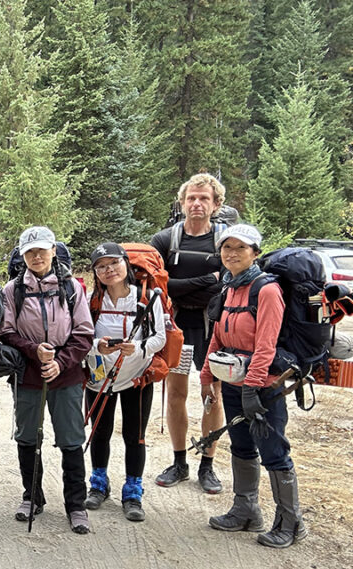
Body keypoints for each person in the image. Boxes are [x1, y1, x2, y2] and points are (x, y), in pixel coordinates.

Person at [200, 224, 307, 548]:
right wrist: (207, 376)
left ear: (255, 253)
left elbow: (266, 345)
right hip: (233, 379)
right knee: (242, 445)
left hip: (263, 384)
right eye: (226, 248)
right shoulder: (229, 287)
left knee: (274, 450)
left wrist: (252, 387)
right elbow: (217, 336)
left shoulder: (267, 290)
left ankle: (291, 523)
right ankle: (246, 510)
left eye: (240, 248)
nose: (232, 254)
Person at [0, 226, 94, 534]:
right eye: (30, 251)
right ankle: (32, 496)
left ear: (54, 250)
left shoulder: (72, 287)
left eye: (42, 249)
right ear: (22, 255)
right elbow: (7, 333)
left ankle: (76, 504)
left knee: (71, 439)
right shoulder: (12, 290)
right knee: (27, 437)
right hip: (27, 374)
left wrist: (60, 363)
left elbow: (83, 333)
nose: (36, 256)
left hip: (66, 376)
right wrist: (34, 351)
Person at [150, 173, 227, 493]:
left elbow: (231, 283)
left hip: (217, 329)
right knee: (176, 394)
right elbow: (158, 285)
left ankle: (207, 465)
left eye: (204, 198)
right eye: (191, 198)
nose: (197, 203)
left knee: (212, 395)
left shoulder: (227, 240)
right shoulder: (165, 240)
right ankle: (179, 461)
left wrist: (182, 286)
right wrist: (206, 280)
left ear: (216, 204)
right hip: (178, 326)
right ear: (182, 203)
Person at [83, 243, 166, 522]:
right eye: (101, 266)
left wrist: (139, 347)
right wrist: (97, 345)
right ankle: (98, 484)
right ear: (95, 271)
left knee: (135, 435)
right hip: (99, 378)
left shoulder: (148, 298)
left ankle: (132, 491)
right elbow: (80, 336)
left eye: (114, 263)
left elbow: (160, 338)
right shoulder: (91, 300)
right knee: (99, 432)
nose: (109, 270)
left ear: (126, 264)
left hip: (137, 377)